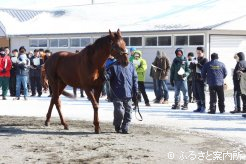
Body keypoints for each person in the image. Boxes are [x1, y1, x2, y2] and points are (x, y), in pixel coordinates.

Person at [106, 57, 138, 134]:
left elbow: (135, 79)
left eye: (126, 55)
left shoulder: (131, 66)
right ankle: (117, 125)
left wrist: (136, 90)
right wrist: (104, 74)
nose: (125, 57)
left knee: (128, 112)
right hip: (117, 93)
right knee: (119, 112)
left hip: (128, 93)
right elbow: (107, 77)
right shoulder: (113, 66)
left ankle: (125, 127)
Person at [191, 47, 208, 113]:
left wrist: (197, 64)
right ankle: (199, 106)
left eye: (199, 53)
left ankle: (203, 107)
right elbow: (191, 68)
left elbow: (204, 69)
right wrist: (192, 63)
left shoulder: (205, 60)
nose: (198, 54)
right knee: (195, 93)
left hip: (201, 79)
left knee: (201, 93)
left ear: (203, 53)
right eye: (197, 53)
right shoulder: (196, 58)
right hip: (194, 78)